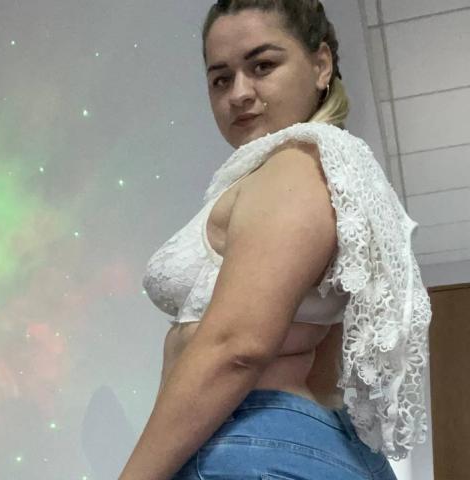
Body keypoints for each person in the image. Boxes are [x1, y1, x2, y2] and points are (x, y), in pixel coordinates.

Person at [120, 1, 432, 479]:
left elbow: (236, 346)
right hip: (303, 443)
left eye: (262, 66)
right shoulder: (333, 173)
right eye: (220, 79)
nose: (239, 93)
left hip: (257, 446)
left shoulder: (295, 166)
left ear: (321, 65)